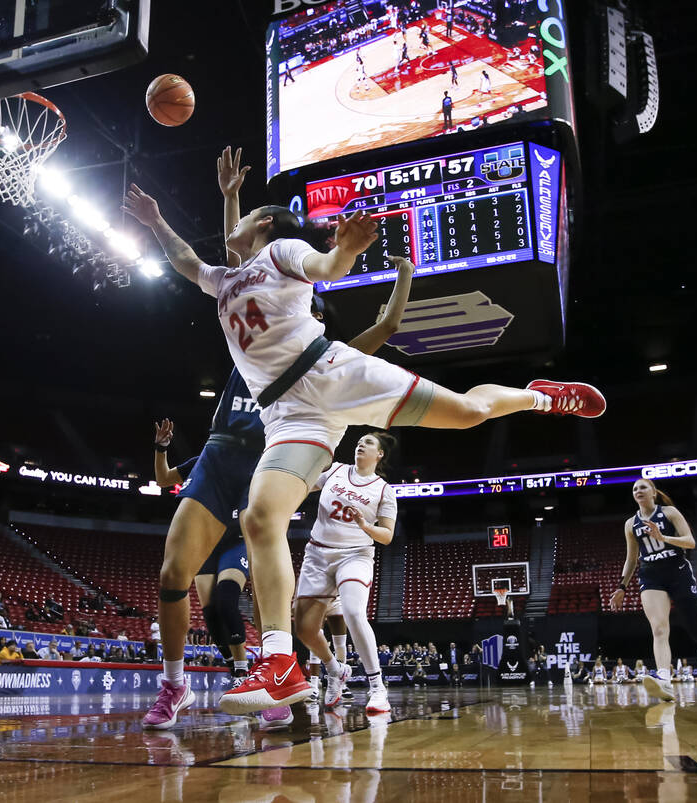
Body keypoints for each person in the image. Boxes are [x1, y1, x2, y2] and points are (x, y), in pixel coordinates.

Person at [123, 153, 605, 715]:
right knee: (260, 518)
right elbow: (186, 258)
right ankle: (279, 662)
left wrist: (347, 249)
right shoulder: (224, 279)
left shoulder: (280, 250)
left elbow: (325, 268)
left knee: (470, 413)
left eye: (244, 213)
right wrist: (156, 222)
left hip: (331, 374)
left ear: (263, 226)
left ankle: (543, 395)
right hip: (289, 413)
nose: (230, 218)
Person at [139, 148, 419, 730]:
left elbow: (386, 327)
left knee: (246, 588)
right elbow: (234, 262)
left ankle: (278, 673)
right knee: (171, 575)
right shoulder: (249, 319)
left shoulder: (323, 361)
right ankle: (176, 686)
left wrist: (402, 275)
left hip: (275, 459)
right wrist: (227, 201)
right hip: (222, 457)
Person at [296, 432, 398, 714]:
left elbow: (387, 535)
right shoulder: (337, 470)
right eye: (359, 441)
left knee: (354, 611)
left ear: (379, 455)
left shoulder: (383, 489)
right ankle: (335, 668)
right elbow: (302, 487)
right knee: (304, 629)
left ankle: (377, 688)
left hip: (355, 554)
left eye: (368, 443)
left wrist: (365, 525)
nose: (360, 445)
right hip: (318, 553)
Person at [610, 478, 697, 702]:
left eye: (643, 487)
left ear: (653, 492)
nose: (638, 490)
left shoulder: (669, 513)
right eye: (635, 488)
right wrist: (621, 586)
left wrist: (663, 537)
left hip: (677, 571)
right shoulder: (631, 524)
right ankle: (664, 680)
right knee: (658, 628)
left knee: (695, 631)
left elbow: (690, 542)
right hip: (650, 575)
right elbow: (631, 559)